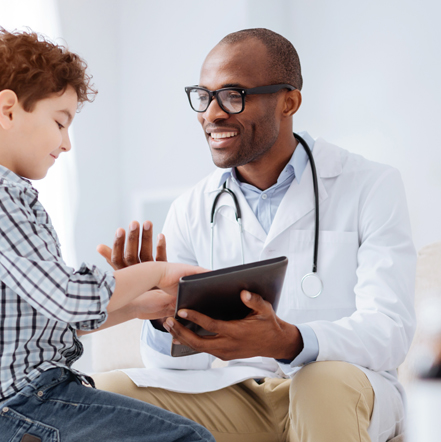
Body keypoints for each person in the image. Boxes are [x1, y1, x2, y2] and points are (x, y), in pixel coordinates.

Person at [94, 28, 416, 442]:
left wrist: (289, 341)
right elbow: (174, 371)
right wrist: (162, 317)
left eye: (233, 95)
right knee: (107, 394)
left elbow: (388, 330)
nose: (211, 113)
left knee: (319, 384)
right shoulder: (192, 208)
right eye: (203, 96)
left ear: (289, 101)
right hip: (242, 394)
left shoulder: (371, 185)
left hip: (344, 384)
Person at [0, 27, 214, 442]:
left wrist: (139, 307)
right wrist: (158, 271)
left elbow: (49, 320)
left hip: (8, 408)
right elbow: (69, 297)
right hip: (15, 408)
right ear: (7, 111)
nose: (66, 144)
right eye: (60, 122)